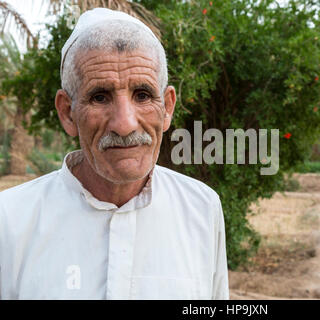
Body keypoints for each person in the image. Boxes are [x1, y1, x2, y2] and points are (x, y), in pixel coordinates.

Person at [0, 8, 229, 300]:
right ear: (67, 112)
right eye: (99, 97)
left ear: (167, 107)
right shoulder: (9, 220)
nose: (124, 124)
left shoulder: (202, 208)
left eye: (143, 95)